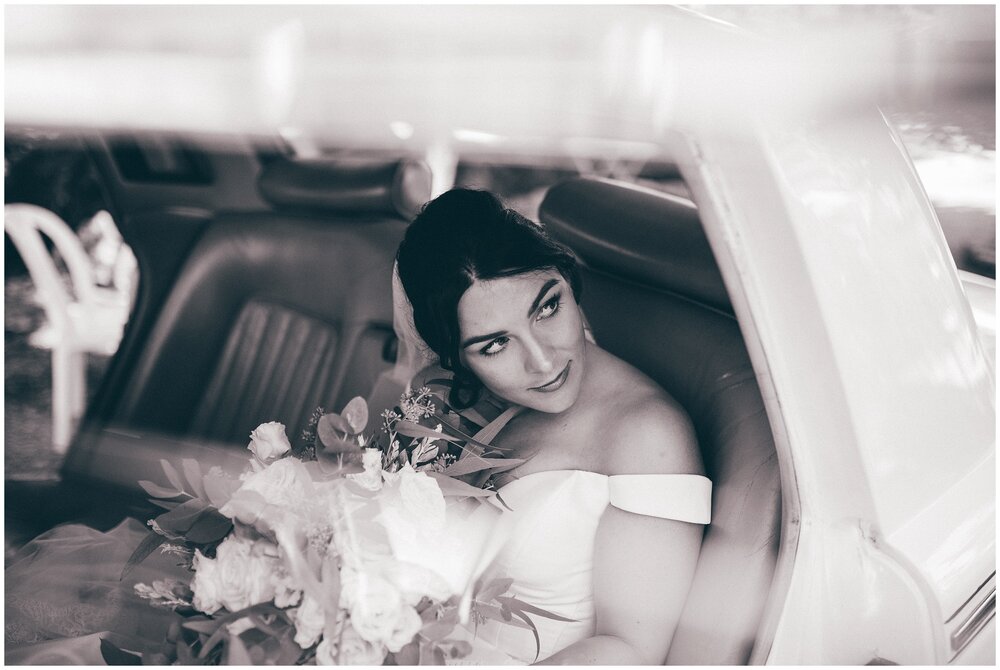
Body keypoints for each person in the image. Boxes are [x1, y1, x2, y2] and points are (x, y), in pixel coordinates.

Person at [394, 188, 711, 665]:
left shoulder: (648, 437)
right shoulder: (458, 405)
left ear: (567, 279)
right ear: (455, 357)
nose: (542, 362)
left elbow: (630, 653)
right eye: (494, 345)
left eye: (547, 307)